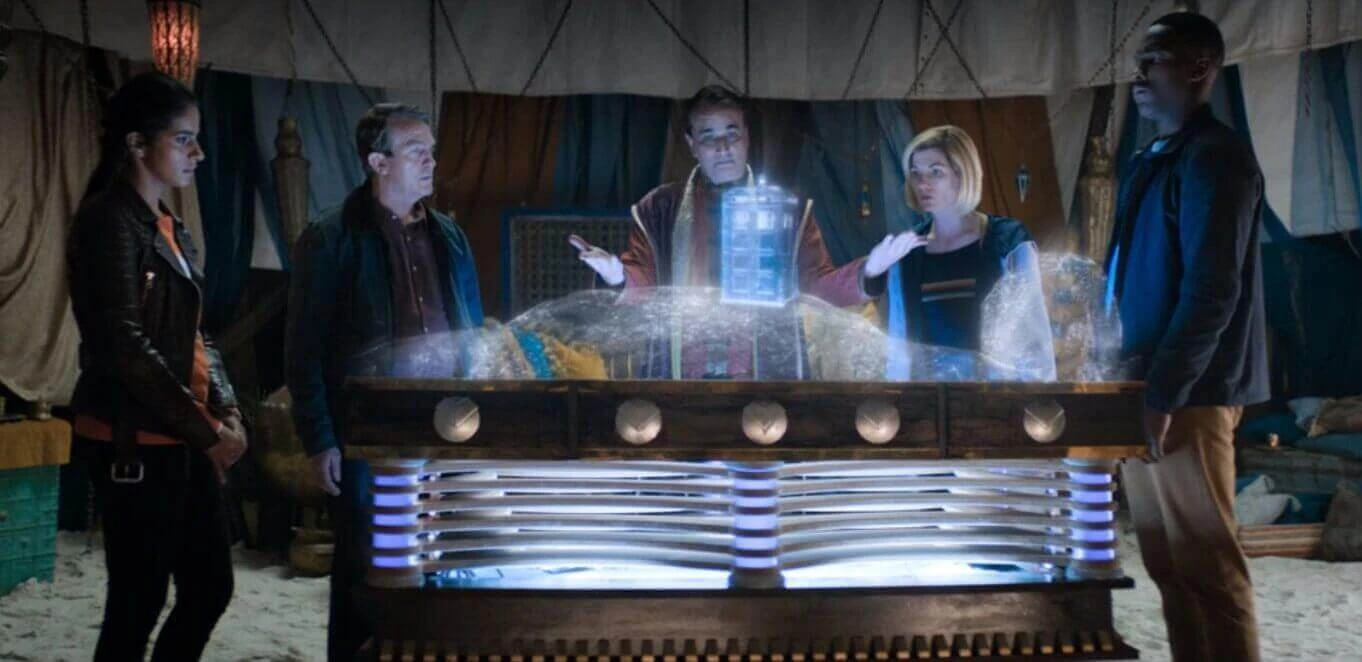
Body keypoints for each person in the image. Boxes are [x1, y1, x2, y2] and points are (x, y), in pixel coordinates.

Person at [286, 102, 484, 660]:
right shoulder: (331, 237)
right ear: (378, 162)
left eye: (431, 150)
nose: (431, 161)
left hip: (446, 424)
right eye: (416, 151)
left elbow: (471, 328)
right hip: (367, 430)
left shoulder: (449, 235)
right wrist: (319, 438)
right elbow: (303, 349)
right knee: (364, 563)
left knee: (444, 558)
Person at [67, 71, 247, 662]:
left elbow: (196, 333)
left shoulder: (167, 223)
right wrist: (206, 430)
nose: (198, 153)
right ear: (137, 144)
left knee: (209, 587)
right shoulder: (107, 219)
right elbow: (122, 344)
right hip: (134, 436)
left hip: (182, 431)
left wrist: (226, 409)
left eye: (197, 139)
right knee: (137, 600)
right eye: (183, 139)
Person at [1105, 12, 1267, 661]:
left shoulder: (1216, 159)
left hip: (1187, 394)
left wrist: (1164, 393)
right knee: (1168, 565)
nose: (1139, 75)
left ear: (1199, 68)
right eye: (1139, 62)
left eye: (1155, 60)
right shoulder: (1155, 159)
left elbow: (1212, 290)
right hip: (1146, 383)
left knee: (1209, 566)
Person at [570, 85, 916, 378]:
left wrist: (869, 270)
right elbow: (645, 288)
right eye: (708, 136)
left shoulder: (788, 209)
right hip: (680, 373)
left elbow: (817, 286)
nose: (723, 147)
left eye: (731, 133)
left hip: (765, 373)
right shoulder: (660, 208)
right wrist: (617, 275)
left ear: (747, 136)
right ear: (691, 144)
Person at [864, 125, 1056, 381]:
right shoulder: (908, 251)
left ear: (963, 174)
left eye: (936, 172)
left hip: (994, 397)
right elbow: (900, 345)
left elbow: (1034, 340)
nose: (922, 184)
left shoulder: (1007, 241)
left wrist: (1037, 398)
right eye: (916, 173)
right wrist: (900, 398)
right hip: (927, 399)